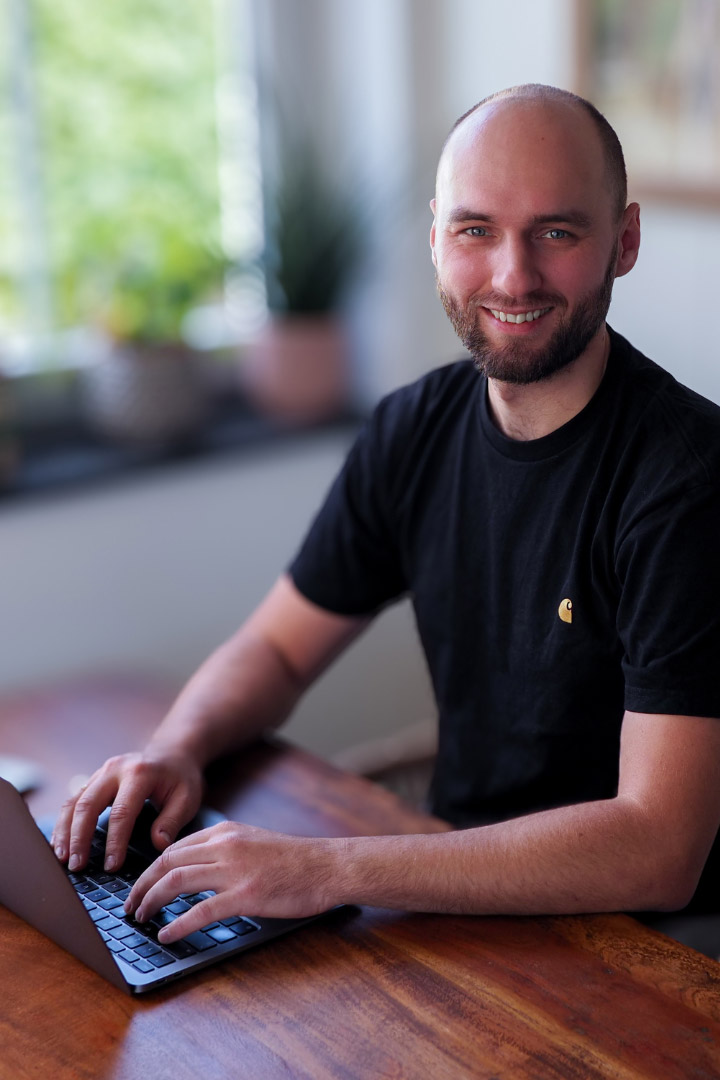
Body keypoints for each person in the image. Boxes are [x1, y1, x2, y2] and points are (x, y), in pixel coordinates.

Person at [53, 84, 720, 950]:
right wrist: (178, 746)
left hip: (656, 940)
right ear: (438, 235)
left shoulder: (687, 478)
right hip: (460, 891)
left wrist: (326, 868)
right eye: (477, 231)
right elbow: (282, 646)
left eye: (557, 231)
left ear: (623, 240)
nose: (513, 276)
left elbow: (658, 848)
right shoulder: (415, 428)